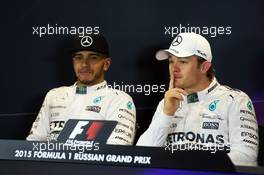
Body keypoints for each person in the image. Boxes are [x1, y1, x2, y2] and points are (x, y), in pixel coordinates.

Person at [137, 32, 259, 166]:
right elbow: (141, 157)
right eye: (171, 61)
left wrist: (191, 166)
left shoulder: (235, 100)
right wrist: (166, 115)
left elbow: (246, 157)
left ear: (204, 67)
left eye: (183, 61)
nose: (174, 68)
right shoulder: (167, 103)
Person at [27, 34, 136, 145]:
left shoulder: (119, 100)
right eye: (78, 58)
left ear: (106, 64)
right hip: (50, 162)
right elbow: (34, 143)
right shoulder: (54, 95)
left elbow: (117, 150)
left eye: (93, 58)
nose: (84, 64)